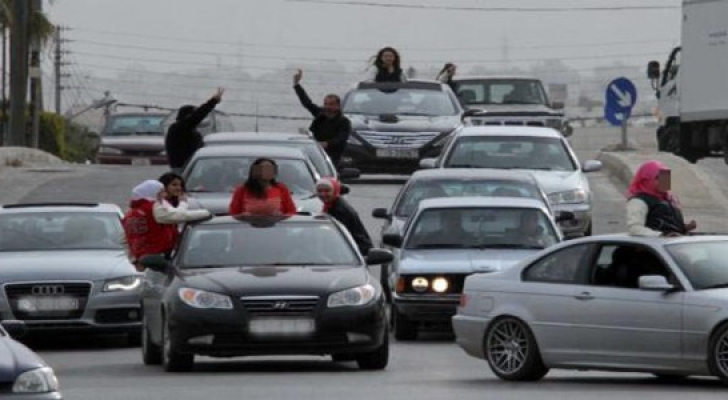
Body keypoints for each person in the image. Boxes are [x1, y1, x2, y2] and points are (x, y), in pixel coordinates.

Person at [123, 180, 210, 271]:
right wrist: (205, 213)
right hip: (158, 256)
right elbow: (175, 216)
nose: (164, 195)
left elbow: (125, 240)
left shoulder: (130, 213)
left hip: (142, 259)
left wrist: (134, 260)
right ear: (153, 193)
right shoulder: (153, 206)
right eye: (161, 192)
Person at [293, 69, 351, 168]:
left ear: (338, 106)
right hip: (315, 154)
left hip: (333, 158)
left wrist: (326, 144)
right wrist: (297, 84)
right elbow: (307, 103)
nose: (328, 107)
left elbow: (341, 140)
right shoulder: (320, 115)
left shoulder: (344, 122)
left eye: (331, 104)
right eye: (326, 104)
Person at [626, 160, 697, 237]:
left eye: (666, 176)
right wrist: (662, 235)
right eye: (659, 177)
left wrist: (684, 228)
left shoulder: (669, 198)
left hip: (670, 245)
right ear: (647, 180)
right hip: (652, 247)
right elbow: (635, 229)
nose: (665, 180)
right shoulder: (638, 201)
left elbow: (667, 225)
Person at [165, 88, 224, 174]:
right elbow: (197, 117)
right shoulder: (179, 128)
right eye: (192, 114)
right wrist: (212, 102)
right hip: (183, 168)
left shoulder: (188, 130)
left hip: (191, 167)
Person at [316, 178, 373, 255]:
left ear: (335, 191)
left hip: (354, 250)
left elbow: (337, 238)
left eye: (327, 191)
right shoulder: (332, 205)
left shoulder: (340, 210)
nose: (323, 194)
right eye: (320, 191)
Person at [229, 158, 297, 216]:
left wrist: (281, 216)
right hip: (248, 229)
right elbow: (233, 214)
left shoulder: (281, 188)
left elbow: (291, 212)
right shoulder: (242, 190)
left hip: (276, 229)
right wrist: (244, 216)